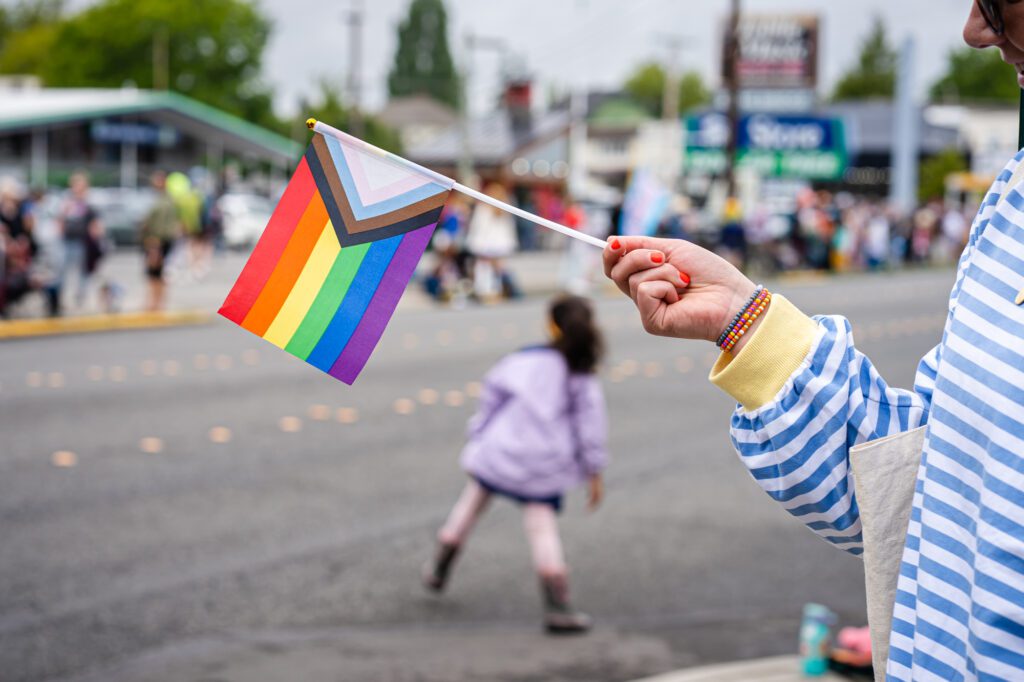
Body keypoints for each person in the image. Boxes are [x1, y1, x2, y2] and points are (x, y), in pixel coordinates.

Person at [601, 4, 1024, 677]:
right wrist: (743, 321)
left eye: (1001, 1)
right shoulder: (1013, 200)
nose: (976, 29)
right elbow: (923, 493)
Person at [423, 295, 608, 634]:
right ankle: (558, 605)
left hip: (500, 452)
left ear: (550, 325)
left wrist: (476, 437)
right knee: (541, 529)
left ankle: (439, 567)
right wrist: (593, 472)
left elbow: (490, 401)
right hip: (542, 466)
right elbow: (590, 429)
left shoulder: (522, 360)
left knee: (468, 509)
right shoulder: (581, 373)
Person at [56, 172, 102, 312]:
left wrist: (96, 239)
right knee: (62, 270)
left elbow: (95, 223)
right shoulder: (67, 200)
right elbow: (60, 219)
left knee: (83, 272)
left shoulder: (89, 202)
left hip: (83, 241)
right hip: (67, 240)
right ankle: (59, 299)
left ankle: (80, 299)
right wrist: (59, 232)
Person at [465, 183, 518, 302]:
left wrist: (476, 244)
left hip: (486, 245)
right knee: (497, 271)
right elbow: (509, 229)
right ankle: (496, 291)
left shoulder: (483, 208)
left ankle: (485, 292)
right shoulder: (505, 207)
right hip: (499, 245)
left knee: (483, 269)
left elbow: (478, 228)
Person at [139, 172, 181, 312]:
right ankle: (157, 303)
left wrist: (153, 241)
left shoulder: (163, 202)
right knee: (157, 273)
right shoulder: (167, 200)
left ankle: (154, 303)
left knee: (154, 273)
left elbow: (157, 224)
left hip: (157, 241)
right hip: (161, 240)